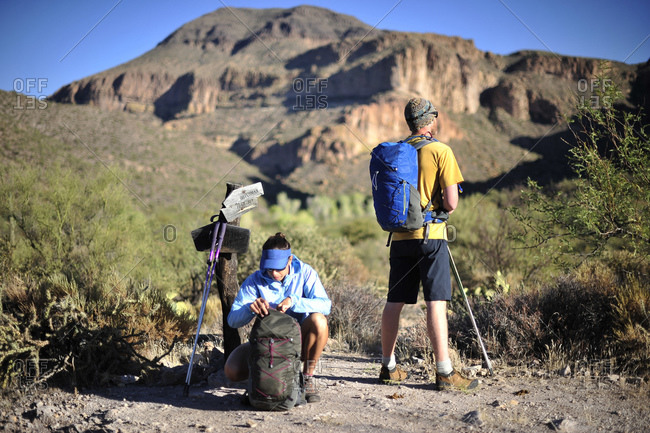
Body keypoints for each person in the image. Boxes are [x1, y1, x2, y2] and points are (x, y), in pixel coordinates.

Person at [379, 98, 478, 391]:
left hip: (399, 238)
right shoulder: (441, 150)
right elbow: (451, 202)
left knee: (394, 303)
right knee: (435, 302)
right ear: (430, 121)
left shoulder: (396, 152)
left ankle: (387, 367)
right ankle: (445, 372)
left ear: (410, 122)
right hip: (431, 239)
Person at [225, 232, 331, 403]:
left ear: (289, 260)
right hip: (266, 344)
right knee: (232, 370)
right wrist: (249, 308)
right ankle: (267, 377)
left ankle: (306, 377)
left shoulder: (305, 272)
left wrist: (294, 302)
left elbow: (326, 306)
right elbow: (233, 320)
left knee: (319, 320)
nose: (274, 274)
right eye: (269, 268)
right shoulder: (255, 281)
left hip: (298, 343)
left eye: (278, 269)